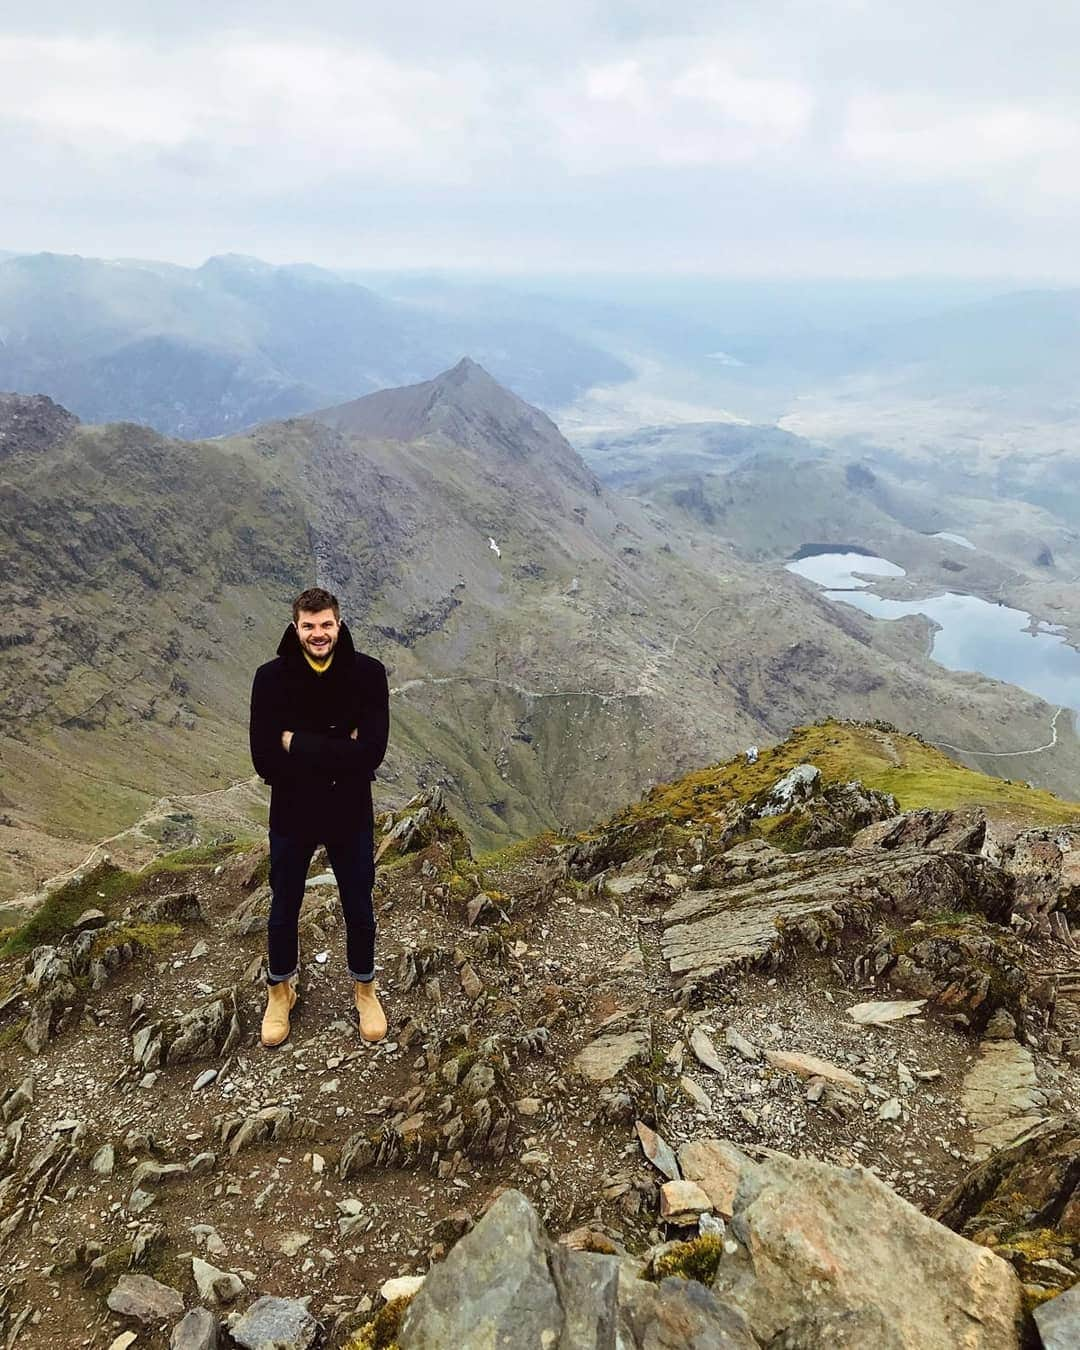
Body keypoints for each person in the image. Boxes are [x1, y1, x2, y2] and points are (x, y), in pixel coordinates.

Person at [249, 587, 390, 1047]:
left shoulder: (368, 674)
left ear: (339, 623)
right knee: (284, 903)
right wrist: (340, 748)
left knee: (359, 903)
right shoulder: (269, 679)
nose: (318, 634)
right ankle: (279, 990)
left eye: (325, 624)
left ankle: (364, 989)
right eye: (308, 626)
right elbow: (264, 759)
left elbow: (372, 752)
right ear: (296, 628)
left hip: (349, 809)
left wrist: (297, 741)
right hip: (292, 810)